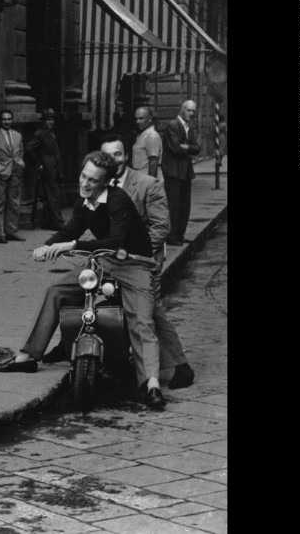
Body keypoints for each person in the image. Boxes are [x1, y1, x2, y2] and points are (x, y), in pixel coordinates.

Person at [0, 151, 167, 410]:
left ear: (105, 183)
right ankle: (28, 356)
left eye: (93, 181)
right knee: (56, 291)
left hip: (134, 264)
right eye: (84, 176)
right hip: (103, 263)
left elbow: (115, 241)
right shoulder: (84, 202)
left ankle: (151, 384)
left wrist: (69, 245)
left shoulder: (118, 201)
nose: (85, 183)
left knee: (142, 320)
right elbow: (70, 229)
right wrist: (46, 246)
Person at [99, 136, 194, 389]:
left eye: (118, 154)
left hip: (144, 258)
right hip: (114, 258)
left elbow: (161, 227)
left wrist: (131, 253)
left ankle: (181, 367)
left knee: (150, 309)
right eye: (108, 156)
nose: (114, 161)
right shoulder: (100, 185)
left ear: (126, 156)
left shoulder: (146, 183)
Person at [160, 100, 201, 246]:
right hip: (173, 171)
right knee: (173, 205)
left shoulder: (190, 127)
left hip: (185, 171)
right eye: (189, 110)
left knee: (185, 205)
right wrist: (189, 148)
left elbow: (197, 149)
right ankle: (172, 237)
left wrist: (187, 147)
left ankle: (179, 234)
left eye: (193, 111)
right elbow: (176, 149)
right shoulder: (173, 125)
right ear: (182, 110)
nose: (191, 113)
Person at [0, 109, 26, 244]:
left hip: (16, 172)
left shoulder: (18, 136)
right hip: (0, 173)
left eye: (9, 119)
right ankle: (0, 233)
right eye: (4, 119)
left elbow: (20, 152)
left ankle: (11, 231)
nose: (7, 122)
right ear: (0, 121)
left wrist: (20, 164)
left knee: (14, 202)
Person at [25, 108, 66, 230]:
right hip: (47, 169)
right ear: (43, 121)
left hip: (55, 168)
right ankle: (57, 222)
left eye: (52, 119)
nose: (51, 122)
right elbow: (29, 149)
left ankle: (47, 222)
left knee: (51, 196)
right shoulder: (40, 133)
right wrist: (39, 163)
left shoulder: (51, 133)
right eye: (48, 119)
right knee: (53, 196)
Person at [131, 106, 163, 180]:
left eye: (141, 118)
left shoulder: (152, 136)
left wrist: (150, 184)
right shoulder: (142, 134)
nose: (137, 121)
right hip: (140, 175)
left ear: (150, 119)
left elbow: (153, 162)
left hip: (146, 176)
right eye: (136, 119)